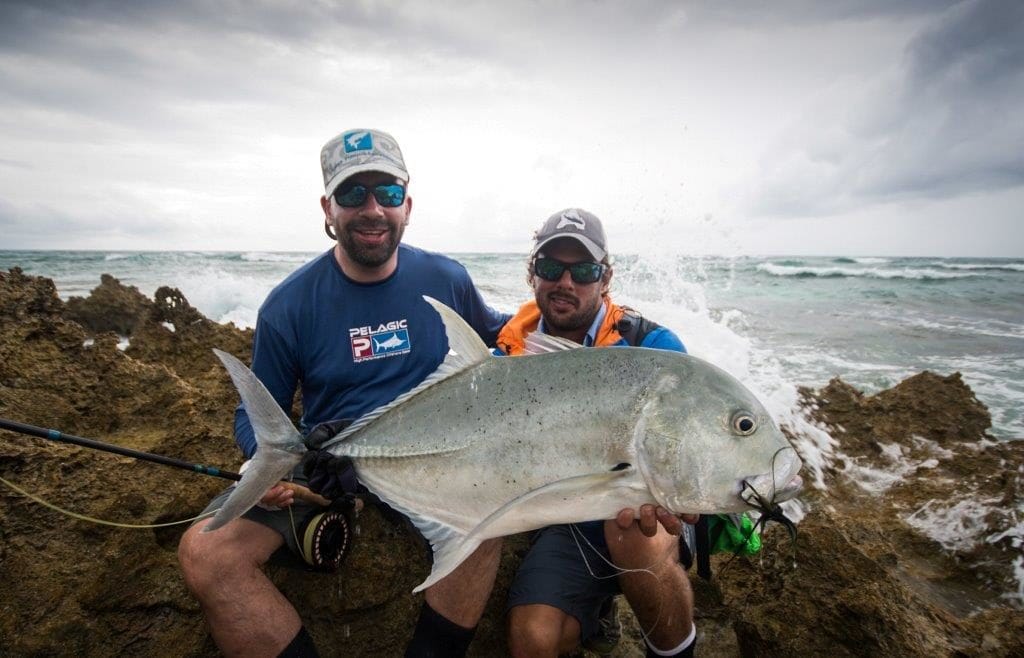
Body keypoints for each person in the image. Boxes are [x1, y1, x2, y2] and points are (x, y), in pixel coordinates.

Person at [177, 128, 510, 658]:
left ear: (408, 204)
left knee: (490, 514)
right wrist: (264, 464)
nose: (372, 209)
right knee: (206, 555)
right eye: (353, 194)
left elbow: (505, 336)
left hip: (435, 456)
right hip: (331, 466)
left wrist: (603, 323)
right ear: (328, 207)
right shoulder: (289, 306)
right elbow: (257, 409)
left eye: (388, 193)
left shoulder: (447, 278)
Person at [497, 209, 697, 658]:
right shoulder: (508, 356)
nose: (566, 282)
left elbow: (687, 446)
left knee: (632, 533)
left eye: (583, 270)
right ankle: (596, 608)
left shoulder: (653, 349)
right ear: (533, 275)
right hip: (566, 522)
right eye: (551, 268)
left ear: (605, 278)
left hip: (642, 515)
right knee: (533, 639)